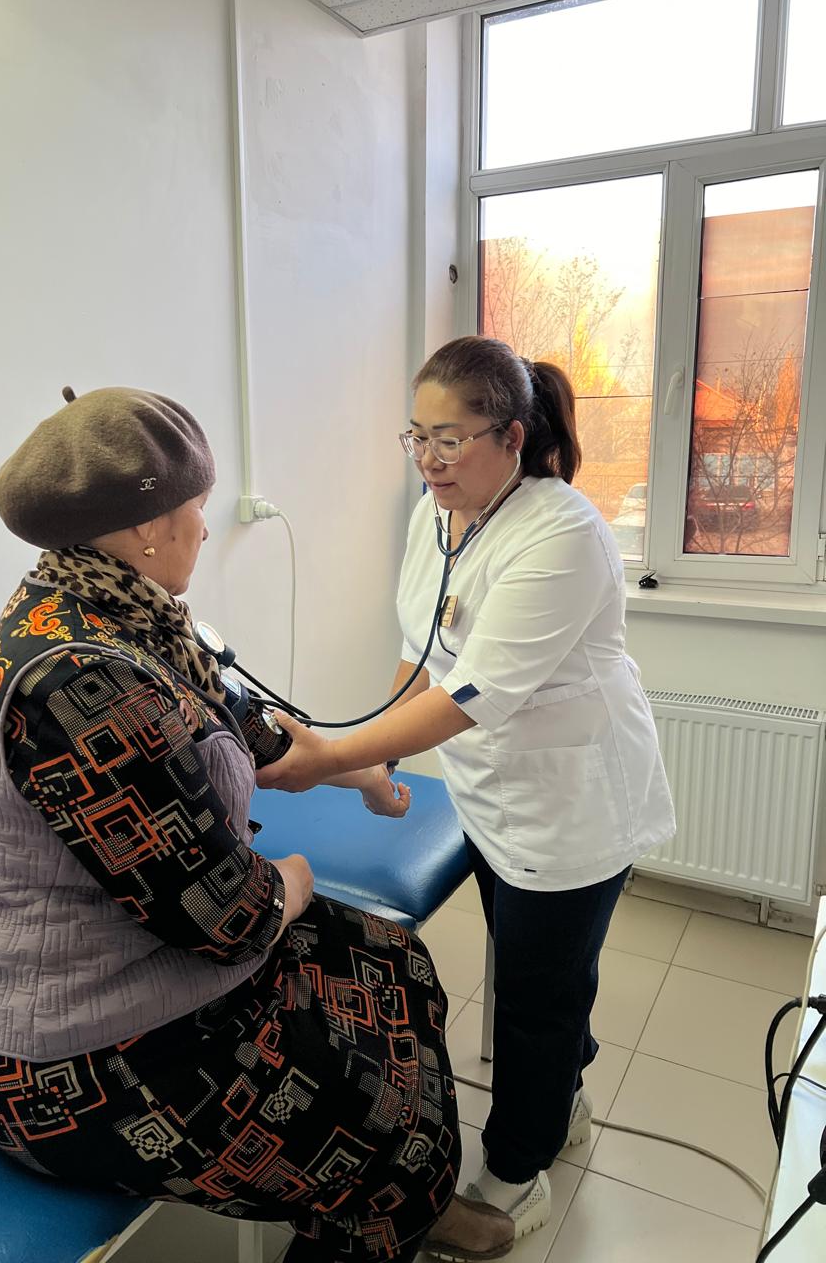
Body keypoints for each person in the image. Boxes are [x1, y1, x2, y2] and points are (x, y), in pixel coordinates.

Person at [0, 385, 515, 1263]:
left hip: (144, 967)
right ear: (148, 527)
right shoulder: (74, 681)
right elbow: (232, 920)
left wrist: (365, 774)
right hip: (76, 1062)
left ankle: (416, 1193)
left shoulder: (121, 612)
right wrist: (294, 878)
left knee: (394, 961)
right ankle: (395, 1190)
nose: (206, 530)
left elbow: (254, 734)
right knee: (372, 1115)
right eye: (197, 508)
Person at [258, 335, 676, 1241]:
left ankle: (517, 1175)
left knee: (534, 998)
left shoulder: (563, 533)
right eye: (417, 437)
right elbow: (424, 652)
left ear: (512, 435)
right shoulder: (438, 514)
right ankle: (562, 1096)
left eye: (450, 439)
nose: (429, 459)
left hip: (570, 807)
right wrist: (374, 764)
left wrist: (327, 759)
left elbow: (469, 695)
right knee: (542, 970)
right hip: (490, 791)